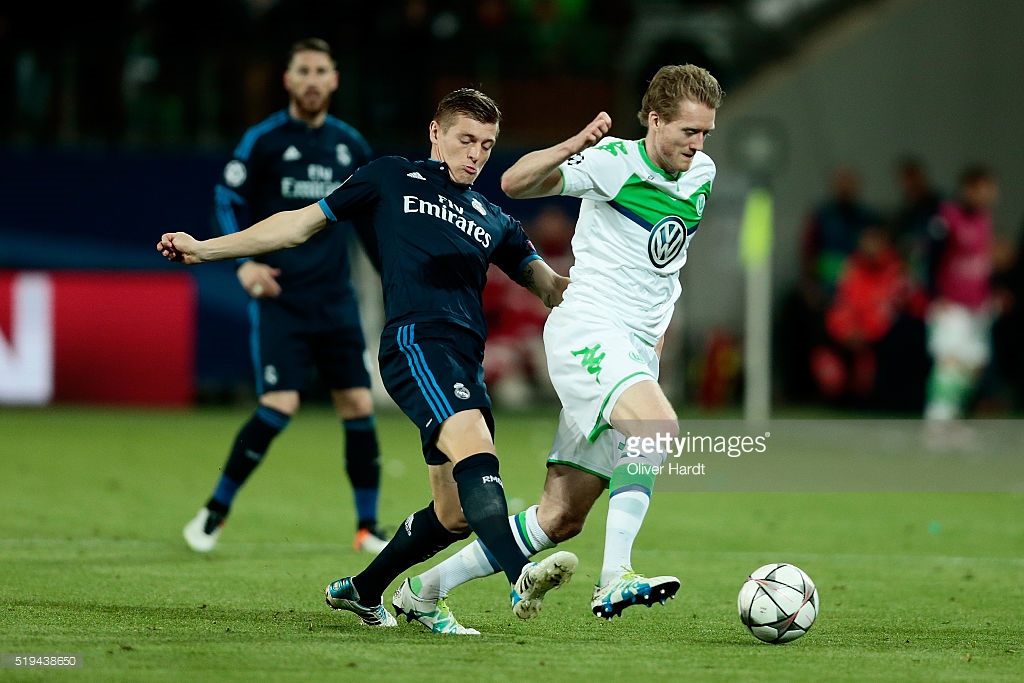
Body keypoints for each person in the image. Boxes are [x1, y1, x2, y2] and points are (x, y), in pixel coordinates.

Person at [158, 87, 578, 627]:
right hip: (416, 343)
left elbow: (548, 287)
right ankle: (521, 574)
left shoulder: (495, 218)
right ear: (436, 133)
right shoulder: (390, 178)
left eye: (487, 145)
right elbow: (297, 224)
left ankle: (363, 589)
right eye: (465, 139)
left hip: (463, 360)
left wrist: (618, 300)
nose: (475, 154)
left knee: (453, 514)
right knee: (476, 447)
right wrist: (207, 248)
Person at [390, 64, 724, 634]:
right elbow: (514, 183)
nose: (698, 145)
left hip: (635, 352)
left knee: (561, 516)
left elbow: (663, 265)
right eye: (688, 132)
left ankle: (424, 590)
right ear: (654, 119)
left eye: (705, 134)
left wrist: (655, 338)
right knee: (658, 427)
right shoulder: (612, 162)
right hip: (589, 332)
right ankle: (615, 576)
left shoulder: (703, 174)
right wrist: (576, 143)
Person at [181, 38, 390, 555]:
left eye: (323, 69)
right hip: (282, 298)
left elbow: (368, 222)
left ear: (335, 79)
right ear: (289, 80)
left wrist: (394, 275)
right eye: (304, 70)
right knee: (280, 403)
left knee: (358, 403)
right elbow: (227, 198)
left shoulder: (350, 146)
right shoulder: (264, 140)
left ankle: (368, 527)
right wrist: (246, 263)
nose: (314, 79)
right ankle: (215, 512)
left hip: (335, 299)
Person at [923, 165, 999, 424]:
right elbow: (930, 257)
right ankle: (938, 418)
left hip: (978, 306)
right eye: (984, 188)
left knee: (974, 364)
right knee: (949, 359)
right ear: (969, 188)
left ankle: (953, 414)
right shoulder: (947, 217)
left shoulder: (984, 219)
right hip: (951, 304)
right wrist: (935, 295)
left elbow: (982, 262)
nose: (990, 194)